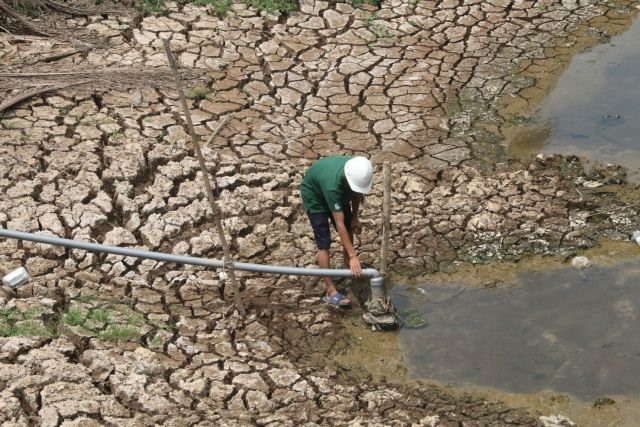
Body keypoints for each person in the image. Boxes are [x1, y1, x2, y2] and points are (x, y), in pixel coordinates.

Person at [300, 155, 374, 308]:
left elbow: (356, 192)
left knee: (349, 227)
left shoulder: (358, 168)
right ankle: (330, 290)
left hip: (336, 191)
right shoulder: (332, 186)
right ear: (347, 179)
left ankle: (348, 266)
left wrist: (354, 217)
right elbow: (339, 225)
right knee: (324, 243)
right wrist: (354, 255)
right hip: (315, 198)